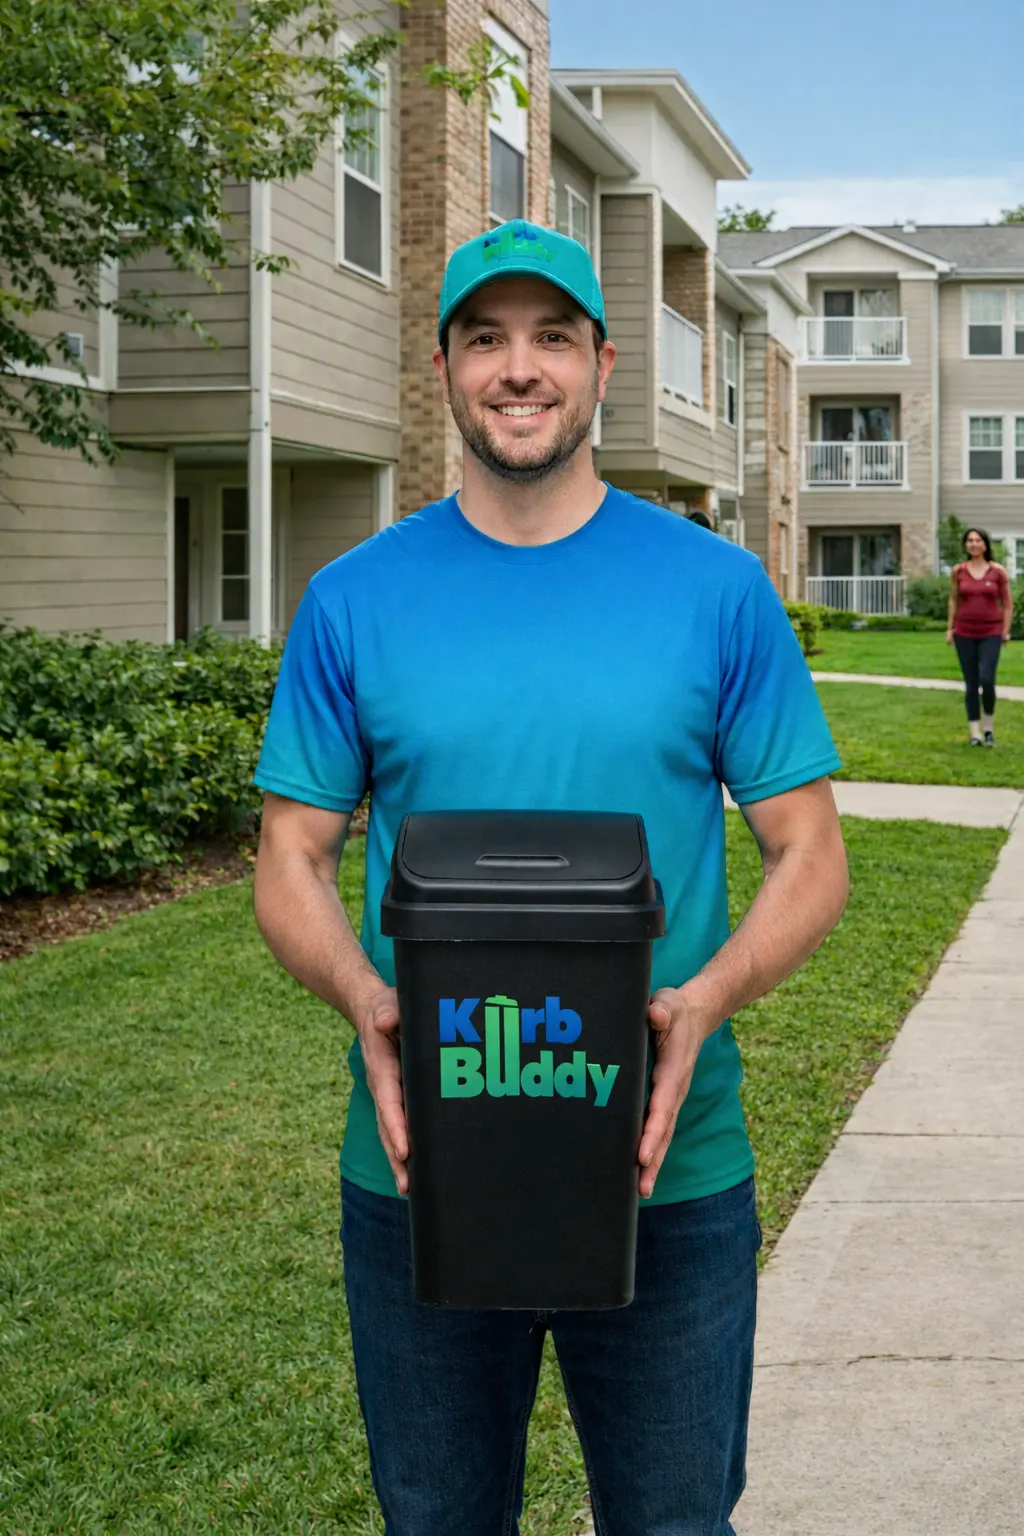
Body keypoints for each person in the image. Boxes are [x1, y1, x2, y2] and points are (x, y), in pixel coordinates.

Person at [251, 218, 849, 1536]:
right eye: (486, 339)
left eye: (551, 339)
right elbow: (291, 854)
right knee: (439, 1521)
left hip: (665, 1176)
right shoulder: (355, 599)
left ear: (602, 363)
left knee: (675, 1521)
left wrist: (704, 1000)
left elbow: (810, 850)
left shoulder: (715, 589)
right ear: (444, 366)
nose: (518, 370)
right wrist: (364, 998)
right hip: (424, 1174)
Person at [946, 527, 1013, 746]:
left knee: (987, 679)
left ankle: (988, 729)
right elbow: (954, 600)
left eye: (978, 540)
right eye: (970, 540)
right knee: (971, 683)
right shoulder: (959, 571)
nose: (974, 544)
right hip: (964, 632)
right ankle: (974, 733)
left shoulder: (997, 572)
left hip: (991, 632)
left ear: (985, 544)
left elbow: (1007, 604)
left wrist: (1005, 630)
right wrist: (950, 627)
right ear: (966, 545)